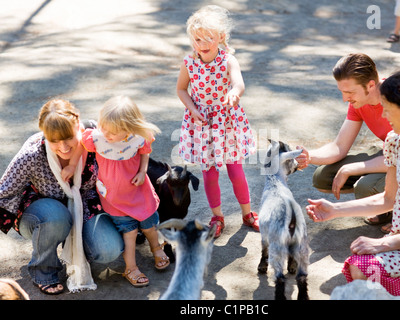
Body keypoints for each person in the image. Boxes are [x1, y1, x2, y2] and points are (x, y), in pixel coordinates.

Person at [306, 69, 400, 299]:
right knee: (361, 266)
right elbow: (388, 199)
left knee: (363, 267)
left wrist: (382, 244)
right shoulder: (395, 142)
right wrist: (334, 210)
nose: (383, 115)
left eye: (387, 108)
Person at [0, 99, 123, 295]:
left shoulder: (97, 139)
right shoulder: (32, 154)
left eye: (68, 137)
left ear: (78, 125)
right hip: (42, 213)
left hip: (85, 204)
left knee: (108, 250)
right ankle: (43, 271)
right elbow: (3, 192)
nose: (63, 147)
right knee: (58, 216)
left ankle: (75, 249)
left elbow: (130, 152)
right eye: (54, 140)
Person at [65, 95, 168, 287]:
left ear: (129, 129)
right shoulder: (97, 138)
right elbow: (80, 147)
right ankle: (131, 268)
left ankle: (156, 247)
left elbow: (145, 152)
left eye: (112, 132)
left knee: (149, 226)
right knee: (129, 232)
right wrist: (71, 166)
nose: (106, 133)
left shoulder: (138, 137)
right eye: (103, 127)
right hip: (114, 198)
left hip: (139, 191)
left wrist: (143, 170)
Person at [176, 5, 258, 238]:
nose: (202, 43)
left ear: (221, 37)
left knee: (235, 171)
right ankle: (217, 216)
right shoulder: (189, 63)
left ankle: (247, 213)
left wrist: (234, 93)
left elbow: (238, 83)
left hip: (226, 120)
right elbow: (181, 90)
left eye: (208, 38)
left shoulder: (227, 60)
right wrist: (192, 109)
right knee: (210, 174)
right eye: (198, 38)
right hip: (202, 123)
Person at [296, 53, 393, 231]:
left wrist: (352, 168)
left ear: (371, 85)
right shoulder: (359, 101)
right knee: (323, 176)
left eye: (349, 92)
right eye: (342, 92)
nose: (344, 98)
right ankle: (384, 202)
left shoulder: (398, 98)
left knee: (364, 187)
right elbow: (339, 146)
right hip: (390, 155)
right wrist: (309, 156)